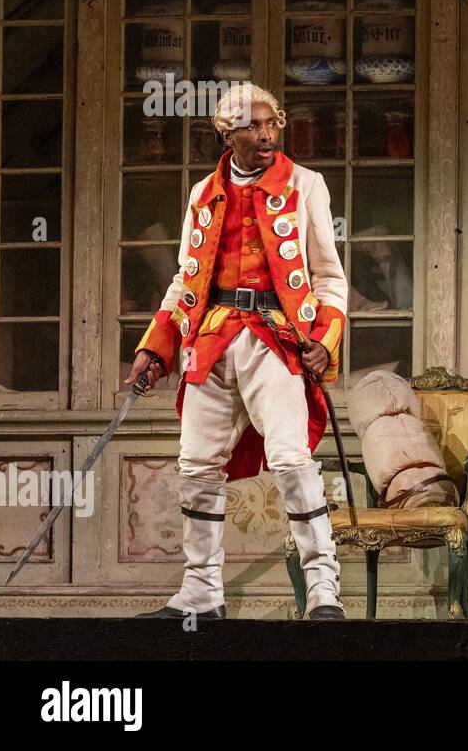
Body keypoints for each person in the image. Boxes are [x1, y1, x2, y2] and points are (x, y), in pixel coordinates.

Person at [127, 83, 349, 620]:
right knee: (197, 465)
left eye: (273, 123)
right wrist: (156, 347)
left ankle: (323, 590)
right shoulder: (203, 193)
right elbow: (185, 278)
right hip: (211, 336)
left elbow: (328, 276)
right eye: (254, 126)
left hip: (276, 335)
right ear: (228, 134)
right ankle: (202, 594)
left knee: (293, 460)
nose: (268, 134)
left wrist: (323, 340)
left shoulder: (305, 185)